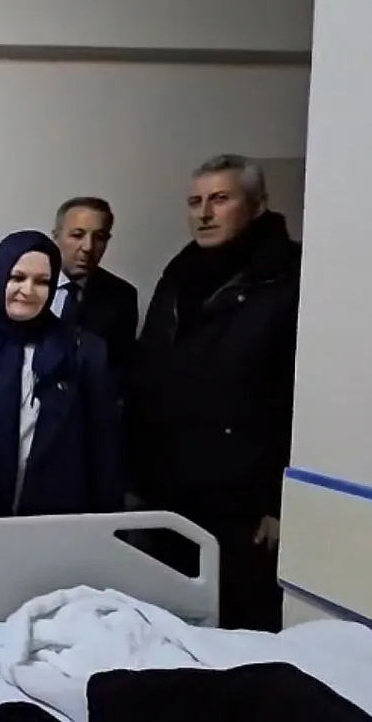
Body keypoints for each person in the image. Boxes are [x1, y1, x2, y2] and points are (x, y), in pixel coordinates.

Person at [127, 154, 301, 632]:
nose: (204, 213)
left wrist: (280, 502)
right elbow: (148, 374)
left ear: (258, 204)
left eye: (220, 199)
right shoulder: (180, 274)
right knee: (171, 628)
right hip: (170, 493)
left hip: (244, 503)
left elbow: (301, 399)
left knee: (241, 631)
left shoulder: (289, 278)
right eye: (195, 202)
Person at [0, 231, 125, 522]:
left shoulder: (83, 352)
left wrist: (109, 529)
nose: (28, 290)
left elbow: (103, 451)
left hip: (54, 524)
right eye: (17, 277)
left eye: (42, 282)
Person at [49, 197, 139, 388]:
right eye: (77, 235)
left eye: (100, 237)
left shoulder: (122, 296)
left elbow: (121, 370)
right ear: (56, 236)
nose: (88, 247)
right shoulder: (27, 283)